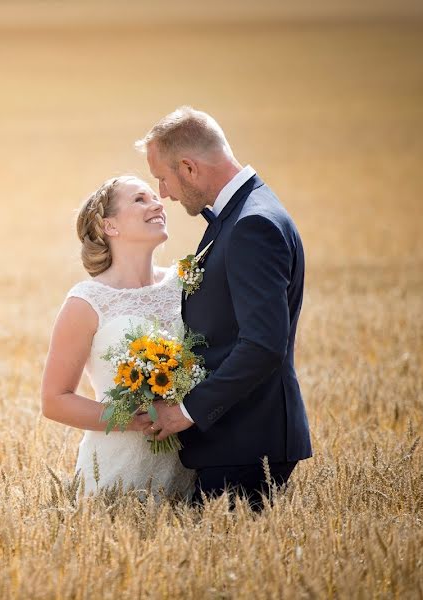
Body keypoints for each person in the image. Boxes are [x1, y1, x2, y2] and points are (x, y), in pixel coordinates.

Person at [132, 106, 312, 510]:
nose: (163, 192)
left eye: (163, 178)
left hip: (247, 444)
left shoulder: (252, 225)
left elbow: (264, 344)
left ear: (189, 168)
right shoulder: (241, 213)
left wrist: (186, 411)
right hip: (236, 440)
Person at [40, 175, 195, 499]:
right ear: (110, 226)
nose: (157, 204)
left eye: (156, 197)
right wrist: (135, 420)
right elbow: (54, 401)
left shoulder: (185, 282)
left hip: (191, 465)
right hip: (118, 471)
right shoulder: (86, 302)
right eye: (140, 199)